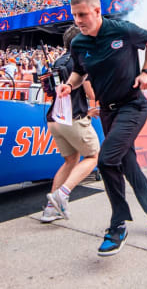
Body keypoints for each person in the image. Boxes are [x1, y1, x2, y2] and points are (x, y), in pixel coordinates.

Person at [57, 0, 147, 257]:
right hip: (107, 111)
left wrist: (146, 71)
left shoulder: (122, 31)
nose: (78, 20)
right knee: (127, 164)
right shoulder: (78, 44)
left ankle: (117, 226)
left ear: (96, 11)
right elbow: (80, 72)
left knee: (106, 160)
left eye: (82, 15)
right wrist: (69, 86)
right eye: (74, 16)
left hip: (133, 106)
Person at [41, 25, 100, 223]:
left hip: (54, 119)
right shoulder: (81, 59)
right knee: (93, 156)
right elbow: (92, 93)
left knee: (70, 160)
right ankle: (62, 193)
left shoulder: (59, 60)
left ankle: (51, 209)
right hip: (73, 118)